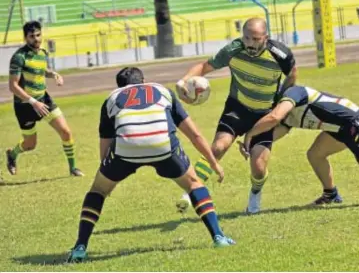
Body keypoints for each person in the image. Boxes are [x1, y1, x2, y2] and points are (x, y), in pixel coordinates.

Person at [67, 67, 235, 263]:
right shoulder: (163, 91)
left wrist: (107, 175)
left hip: (126, 148)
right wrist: (214, 163)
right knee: (194, 184)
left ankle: (80, 247)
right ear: (144, 80)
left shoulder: (111, 98)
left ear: (120, 86)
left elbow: (105, 144)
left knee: (97, 191)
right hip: (162, 146)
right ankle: (219, 237)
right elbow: (195, 134)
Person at [175, 17, 297, 214]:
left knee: (258, 167)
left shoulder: (280, 54)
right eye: (247, 38)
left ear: (266, 37)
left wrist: (282, 98)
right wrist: (184, 81)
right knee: (218, 147)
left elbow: (292, 74)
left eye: (256, 39)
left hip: (264, 114)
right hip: (237, 108)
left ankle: (255, 194)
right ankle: (192, 191)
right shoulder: (233, 50)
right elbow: (204, 67)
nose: (250, 43)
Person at [239, 85, 359, 206]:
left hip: (358, 125)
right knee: (315, 154)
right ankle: (331, 195)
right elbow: (270, 136)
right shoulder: (287, 117)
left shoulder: (294, 93)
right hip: (339, 130)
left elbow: (275, 117)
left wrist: (250, 134)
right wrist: (251, 145)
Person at [6, 21, 83, 177]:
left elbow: (41, 70)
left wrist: (54, 74)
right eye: (32, 36)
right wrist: (33, 102)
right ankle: (12, 154)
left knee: (66, 132)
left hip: (44, 100)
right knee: (30, 144)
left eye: (38, 35)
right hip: (25, 106)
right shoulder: (19, 57)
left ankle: (73, 168)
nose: (36, 39)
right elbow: (13, 86)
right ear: (25, 37)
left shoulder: (42, 52)